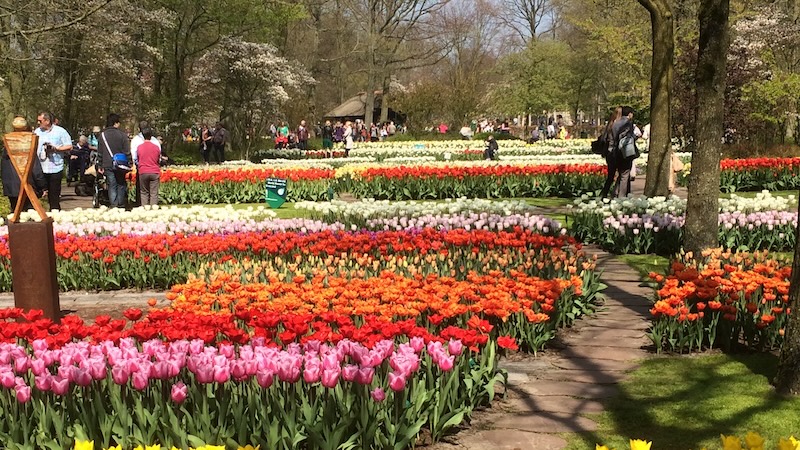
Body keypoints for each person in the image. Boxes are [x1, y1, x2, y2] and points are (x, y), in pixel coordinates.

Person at [35, 111, 73, 211]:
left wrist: (56, 149)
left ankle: (55, 216)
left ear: (47, 121)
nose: (38, 123)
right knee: (38, 194)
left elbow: (69, 146)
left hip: (55, 167)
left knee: (54, 195)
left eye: (40, 121)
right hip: (40, 167)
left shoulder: (60, 131)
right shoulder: (37, 132)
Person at [97, 113, 131, 208]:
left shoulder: (102, 136)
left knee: (111, 184)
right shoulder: (122, 135)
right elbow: (127, 151)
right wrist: (130, 162)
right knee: (121, 183)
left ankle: (114, 204)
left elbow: (100, 152)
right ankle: (121, 204)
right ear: (116, 123)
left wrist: (100, 165)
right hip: (121, 164)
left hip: (107, 163)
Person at [2, 144, 46, 213]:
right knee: (31, 215)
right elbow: (36, 171)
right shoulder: (29, 150)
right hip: (29, 187)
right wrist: (43, 187)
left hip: (11, 188)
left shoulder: (6, 151)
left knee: (16, 213)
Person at [131, 120, 161, 206]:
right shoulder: (156, 145)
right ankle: (153, 208)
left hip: (143, 170)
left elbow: (135, 158)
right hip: (154, 170)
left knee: (144, 192)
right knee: (154, 192)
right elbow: (158, 158)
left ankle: (144, 207)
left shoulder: (139, 146)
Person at [611, 106, 639, 198]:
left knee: (621, 173)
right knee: (625, 174)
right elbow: (630, 137)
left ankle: (615, 193)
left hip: (616, 151)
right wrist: (635, 137)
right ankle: (621, 196)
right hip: (626, 151)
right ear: (629, 114)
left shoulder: (615, 123)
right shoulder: (628, 123)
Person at [600, 107, 623, 198]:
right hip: (616, 152)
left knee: (611, 175)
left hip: (609, 153)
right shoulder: (619, 125)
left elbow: (604, 139)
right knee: (622, 174)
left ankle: (604, 193)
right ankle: (616, 193)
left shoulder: (609, 125)